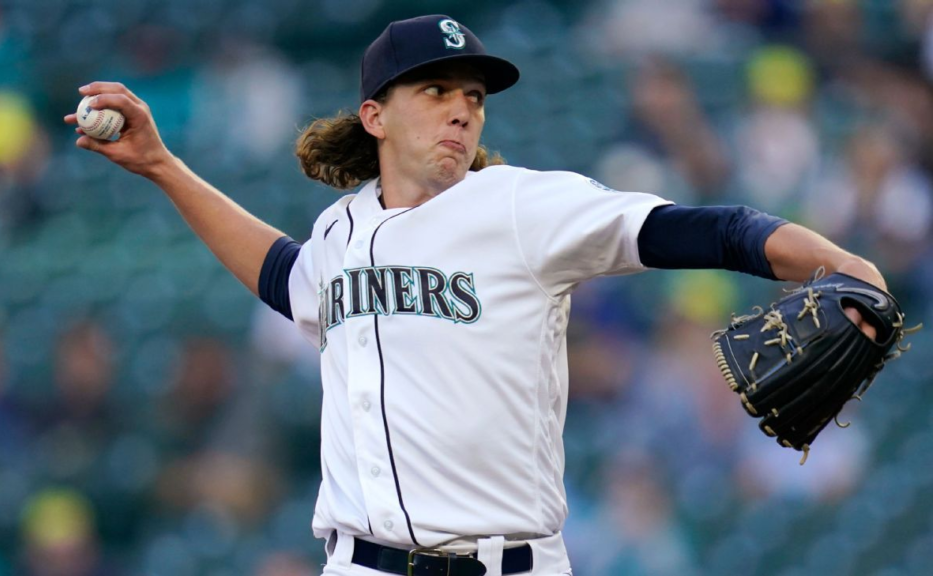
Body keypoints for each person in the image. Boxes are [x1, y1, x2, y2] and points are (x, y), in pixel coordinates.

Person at [64, 14, 886, 576]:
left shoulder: (523, 206)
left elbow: (706, 230)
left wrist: (838, 261)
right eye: (436, 91)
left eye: (474, 97)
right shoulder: (341, 229)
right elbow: (287, 277)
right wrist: (162, 166)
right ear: (375, 116)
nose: (461, 110)